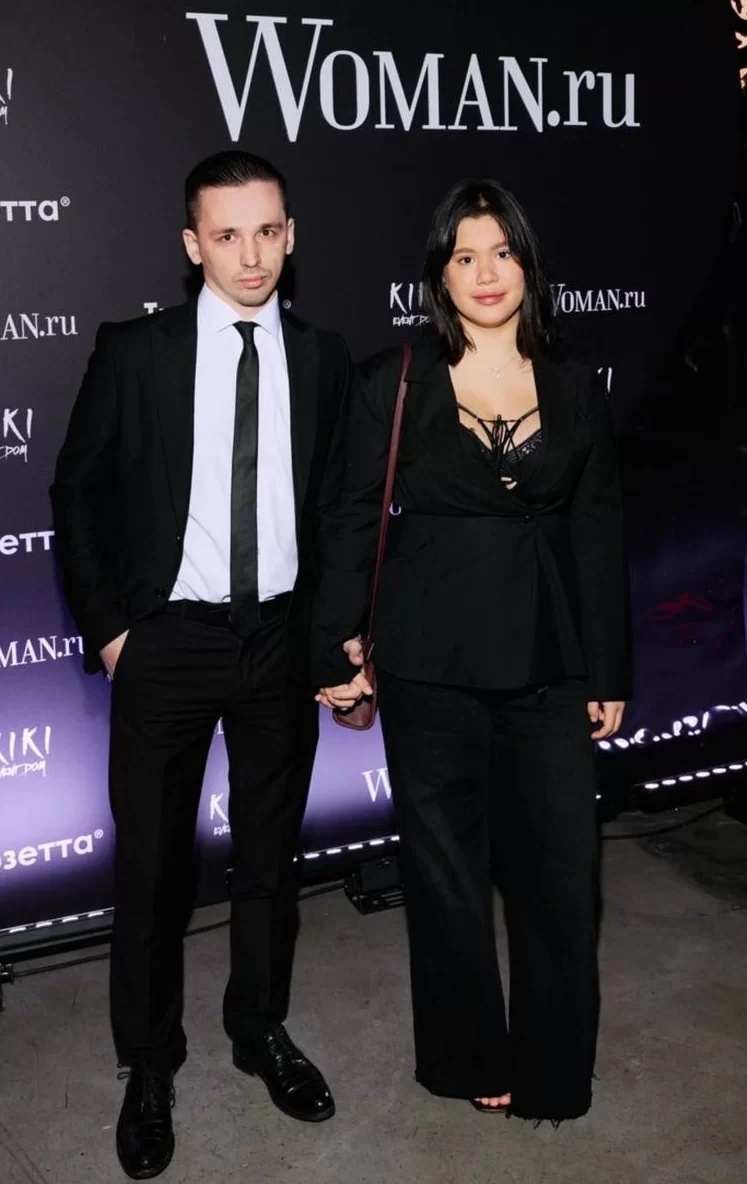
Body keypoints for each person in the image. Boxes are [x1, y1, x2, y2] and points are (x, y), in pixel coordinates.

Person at [51, 151, 349, 1179]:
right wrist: (113, 630)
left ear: (291, 235)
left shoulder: (322, 357)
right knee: (150, 870)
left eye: (267, 231)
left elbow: (336, 513)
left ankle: (257, 1027)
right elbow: (77, 490)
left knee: (269, 860)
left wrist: (335, 639)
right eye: (227, 235)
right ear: (192, 245)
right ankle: (149, 1063)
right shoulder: (136, 352)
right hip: (166, 643)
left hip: (279, 641)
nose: (250, 255)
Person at [313, 178, 630, 1124]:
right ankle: (468, 1056)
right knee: (446, 878)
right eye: (464, 256)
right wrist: (335, 649)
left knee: (562, 877)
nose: (486, 273)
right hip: (431, 662)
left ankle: (554, 1067)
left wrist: (608, 667)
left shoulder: (573, 382)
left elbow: (597, 528)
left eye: (502, 252)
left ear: (528, 264)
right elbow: (351, 518)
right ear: (439, 275)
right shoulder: (396, 379)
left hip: (549, 662)